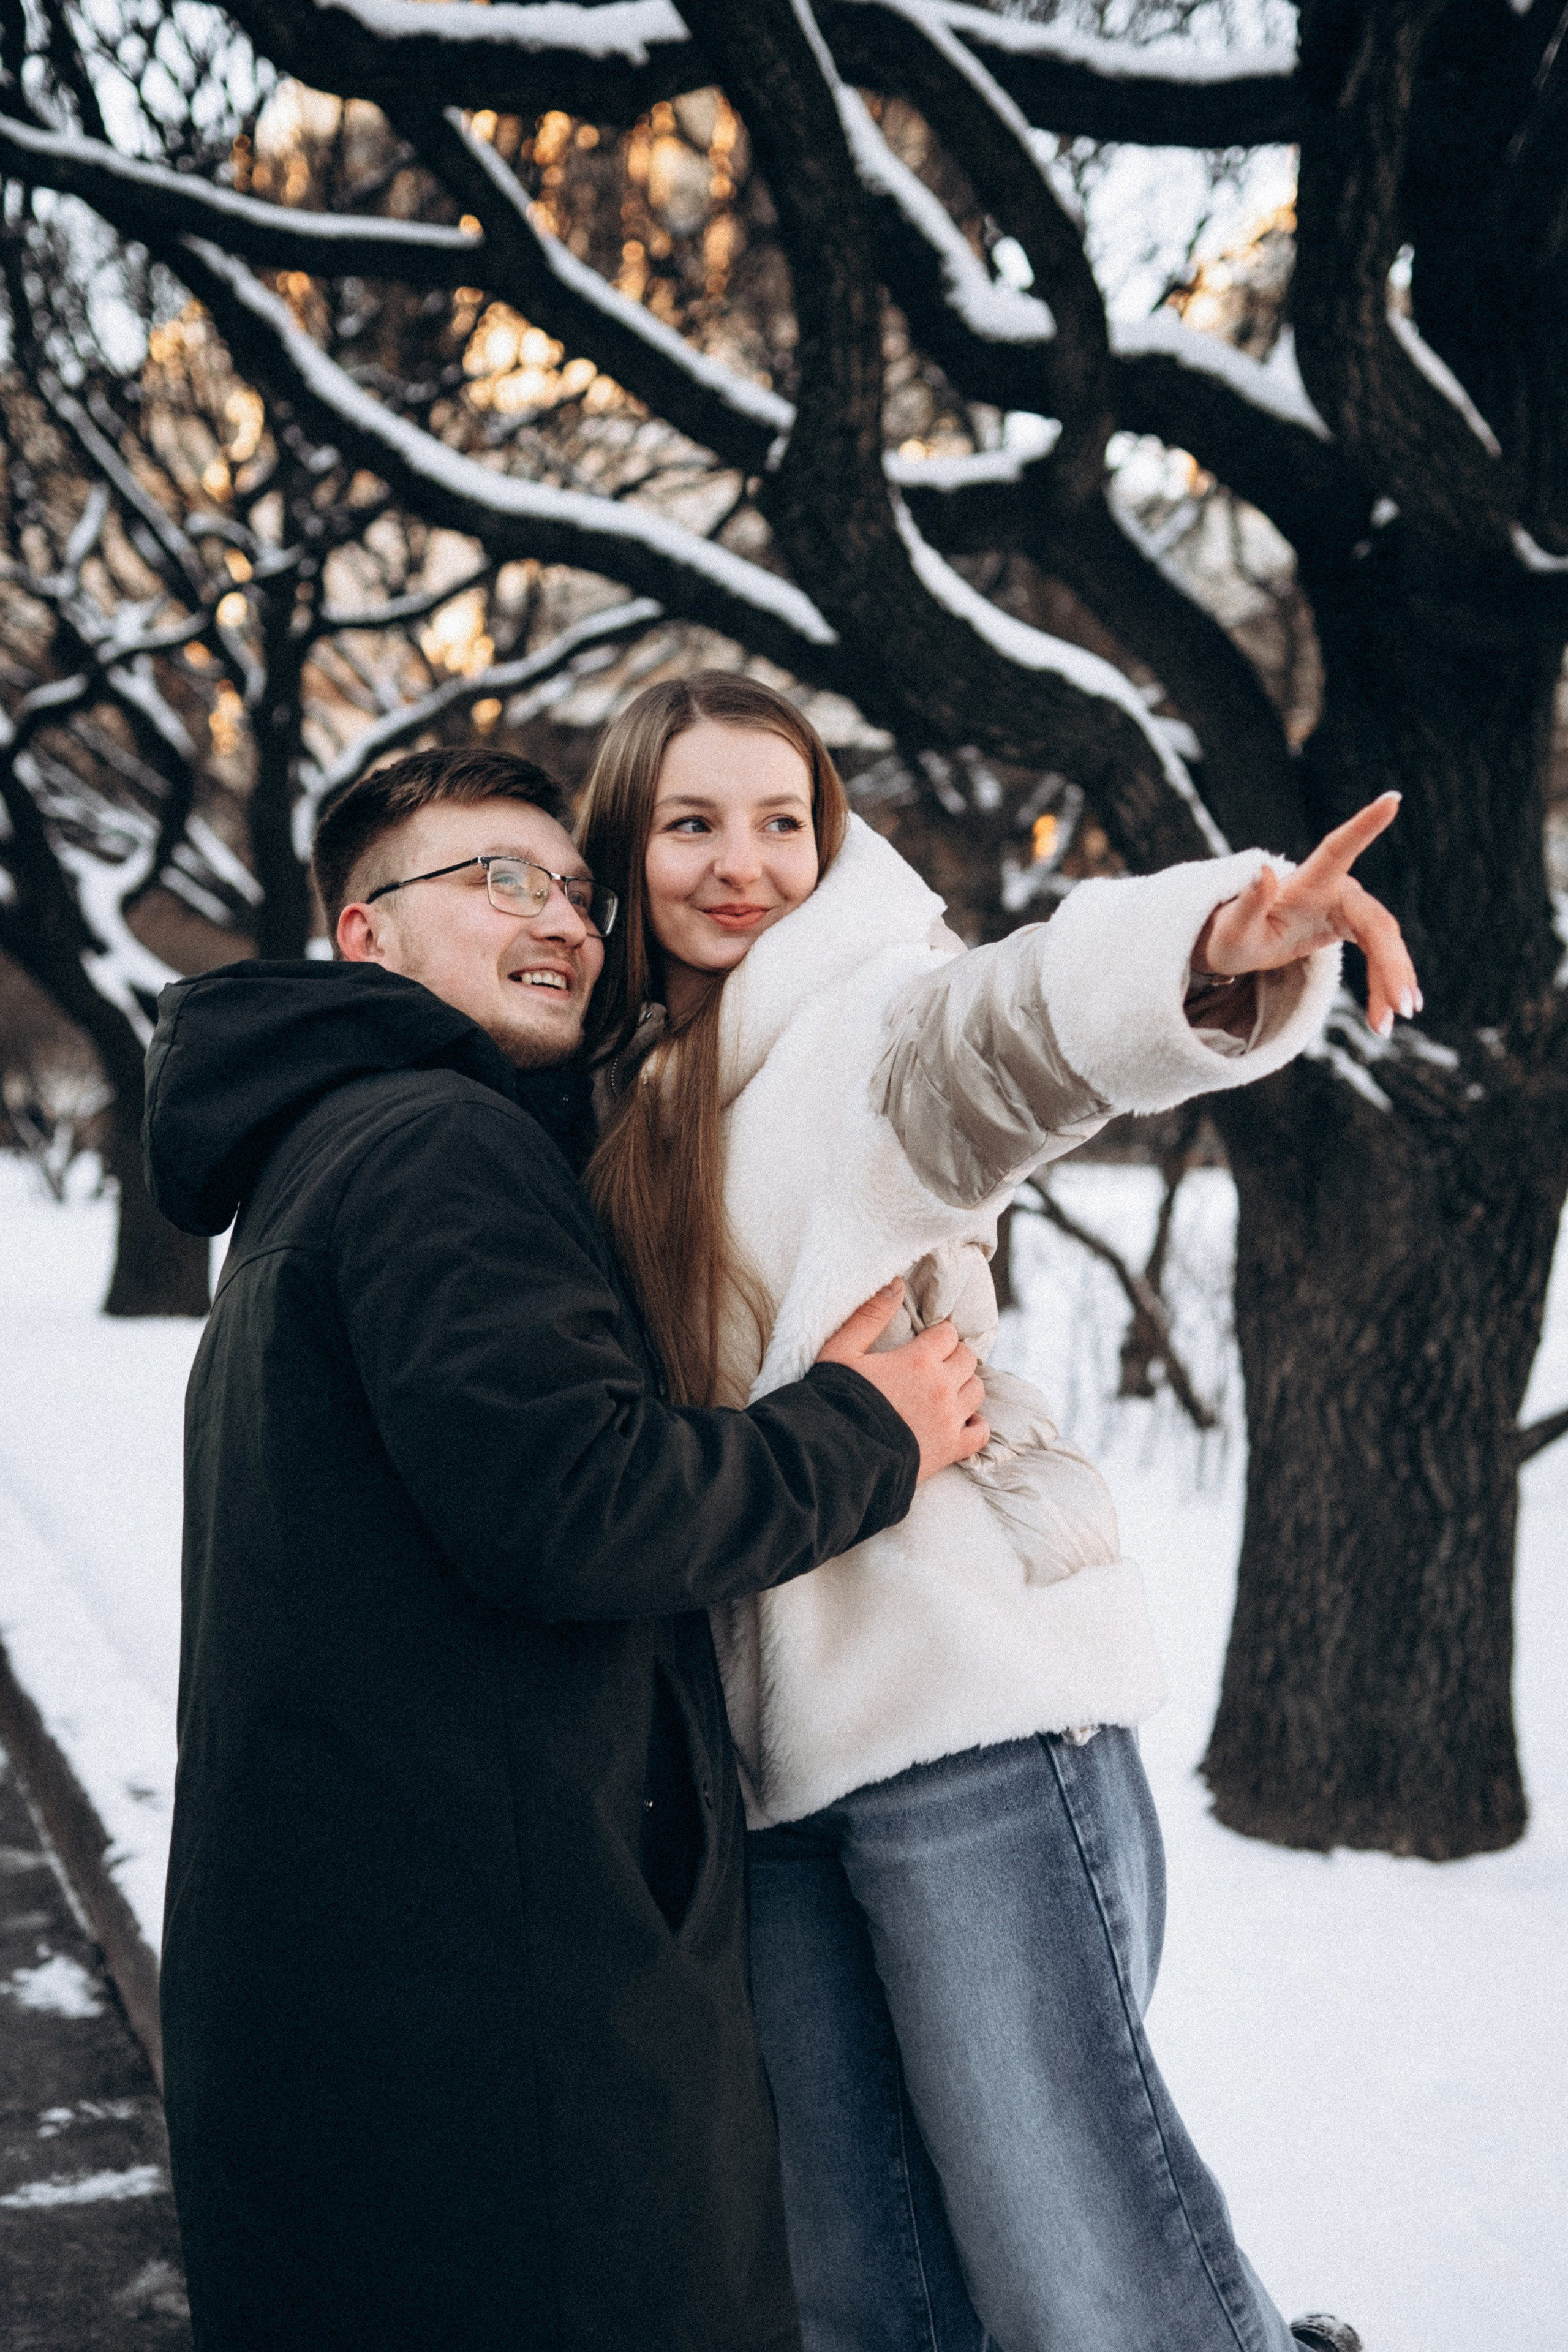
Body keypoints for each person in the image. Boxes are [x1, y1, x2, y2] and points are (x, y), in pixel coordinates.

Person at [575, 673, 1417, 2352]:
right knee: (856, 2291)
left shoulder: (856, 1020)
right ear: (625, 844)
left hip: (961, 1721)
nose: (741, 863)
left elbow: (1002, 1040)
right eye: (690, 824)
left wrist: (1206, 948)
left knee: (1087, 2274)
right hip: (766, 1778)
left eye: (780, 820)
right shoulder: (621, 1098)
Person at [141, 746, 991, 2352]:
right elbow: (581, 1507)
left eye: (579, 893)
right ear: (364, 937)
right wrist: (870, 1432)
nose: (565, 922)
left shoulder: (323, 1161)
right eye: (497, 882)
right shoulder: (432, 1150)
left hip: (382, 2009)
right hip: (496, 2040)